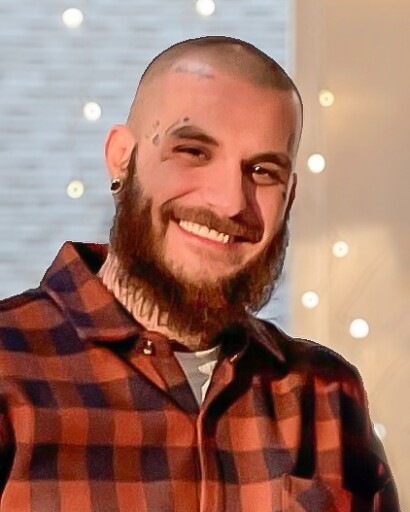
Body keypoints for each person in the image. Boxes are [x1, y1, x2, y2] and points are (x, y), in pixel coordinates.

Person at [0, 36, 399, 512]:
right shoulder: (9, 369)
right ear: (121, 158)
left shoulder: (327, 395)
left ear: (289, 197)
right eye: (193, 151)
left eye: (263, 171)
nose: (229, 201)